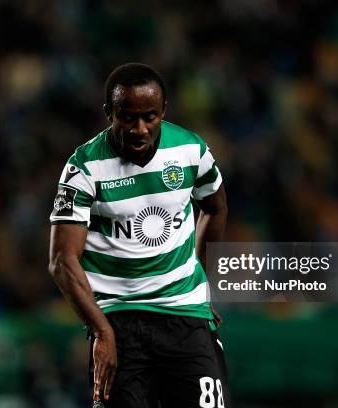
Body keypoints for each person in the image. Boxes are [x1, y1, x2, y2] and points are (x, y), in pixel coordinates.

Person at [49, 63, 229, 407]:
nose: (140, 128)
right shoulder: (83, 168)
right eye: (127, 117)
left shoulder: (191, 151)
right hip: (118, 322)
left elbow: (215, 207)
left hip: (184, 314)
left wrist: (201, 278)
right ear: (109, 113)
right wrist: (101, 331)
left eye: (150, 117)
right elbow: (61, 260)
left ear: (164, 110)